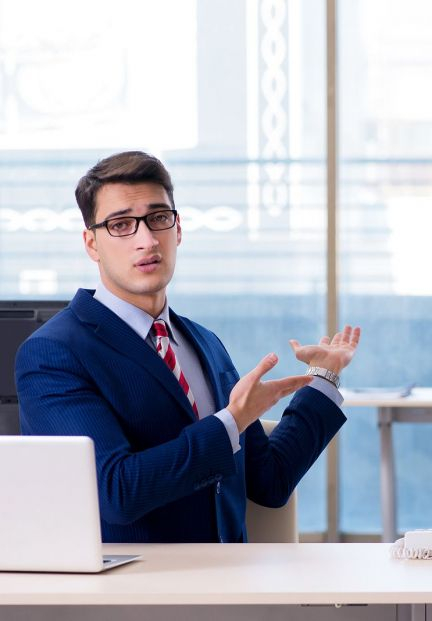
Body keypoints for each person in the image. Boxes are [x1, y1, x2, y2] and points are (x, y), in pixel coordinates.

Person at [15, 151, 360, 544]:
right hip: (134, 593)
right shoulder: (53, 354)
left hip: (229, 584)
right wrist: (232, 421)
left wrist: (325, 378)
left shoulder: (204, 343)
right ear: (92, 244)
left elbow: (270, 482)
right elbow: (115, 492)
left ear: (177, 230)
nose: (146, 240)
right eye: (122, 224)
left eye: (159, 218)